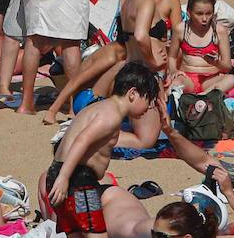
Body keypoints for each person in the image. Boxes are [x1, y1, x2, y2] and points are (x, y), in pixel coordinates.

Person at [45, 62, 160, 238]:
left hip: (60, 176)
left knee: (75, 232)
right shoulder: (111, 115)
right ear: (133, 94)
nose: (148, 109)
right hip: (78, 183)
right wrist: (64, 178)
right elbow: (82, 140)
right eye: (149, 101)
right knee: (96, 233)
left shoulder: (100, 107)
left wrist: (60, 176)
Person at [170, 0, 234, 94]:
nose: (204, 19)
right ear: (189, 12)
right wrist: (173, 70)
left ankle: (202, 97)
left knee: (232, 79)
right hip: (187, 78)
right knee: (175, 84)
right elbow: (172, 57)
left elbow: (227, 67)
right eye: (199, 14)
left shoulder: (219, 31)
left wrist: (216, 62)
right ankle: (206, 97)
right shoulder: (181, 29)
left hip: (210, 80)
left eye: (209, 14)